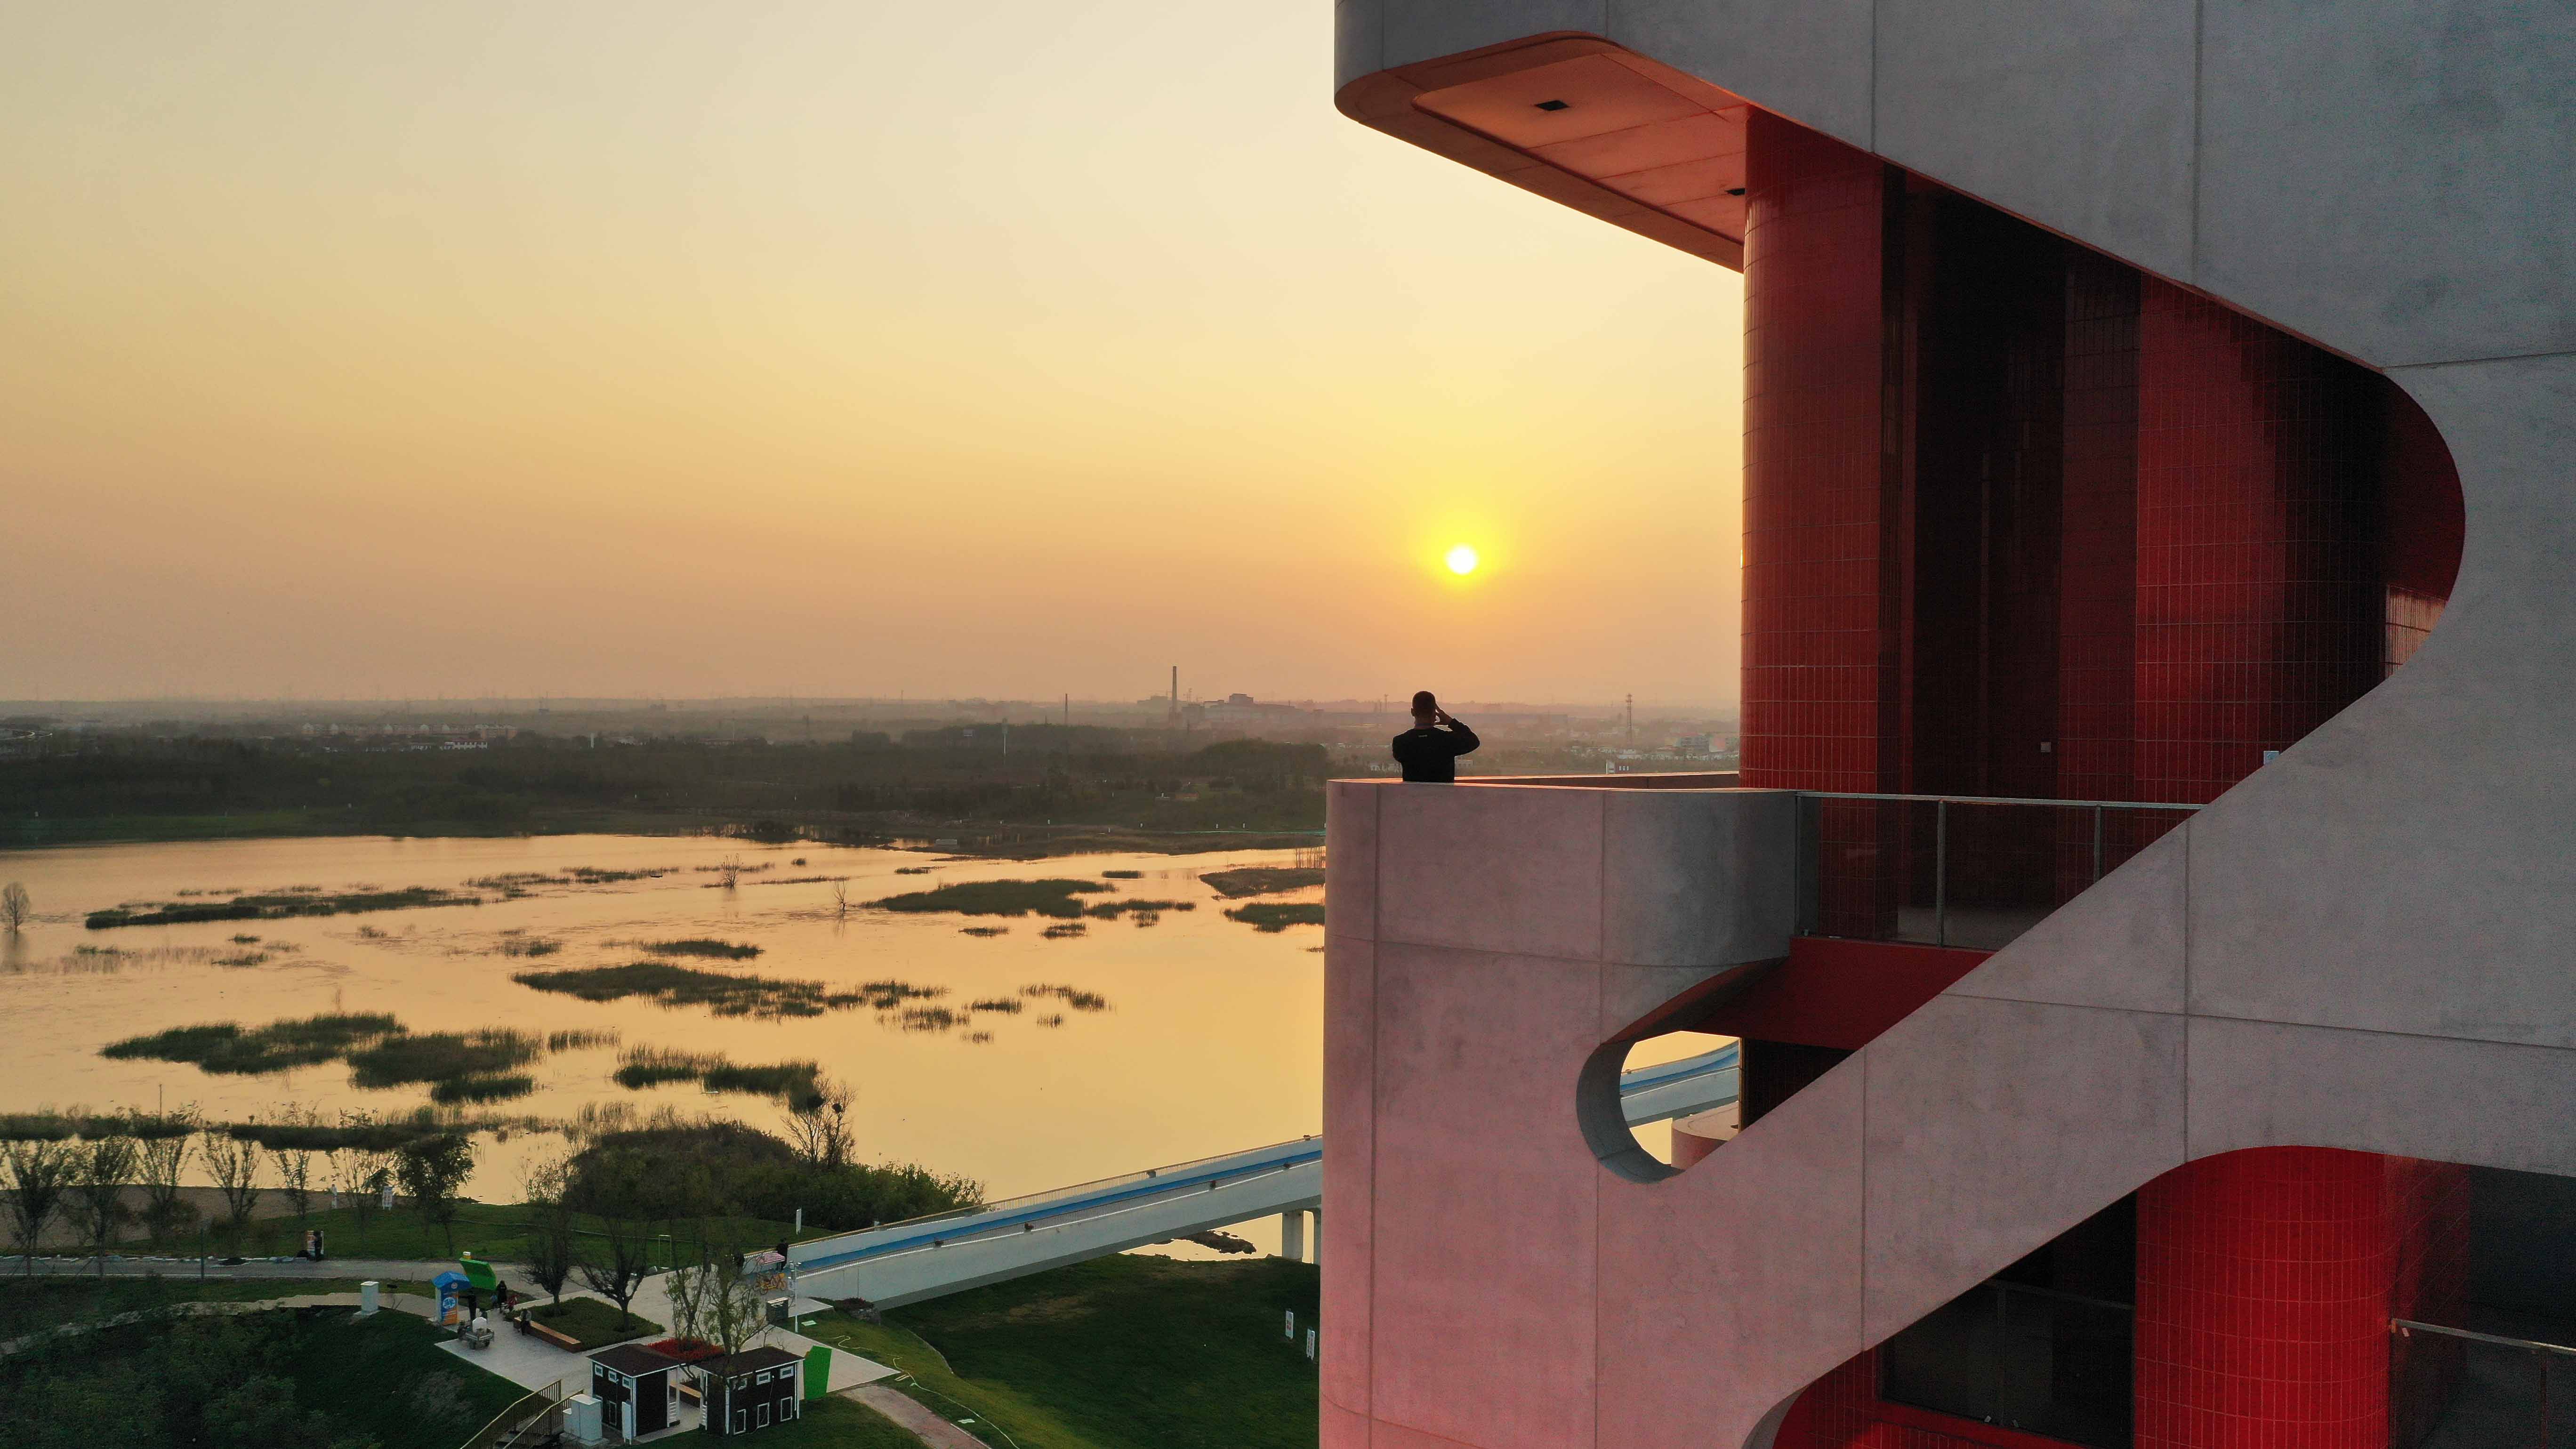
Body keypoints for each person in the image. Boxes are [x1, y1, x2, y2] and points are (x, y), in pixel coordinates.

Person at [1392, 691, 1480, 782]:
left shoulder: (1400, 742)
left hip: (1413, 792)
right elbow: (1473, 741)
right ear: (1435, 714)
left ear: (1412, 712)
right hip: (1443, 792)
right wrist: (1451, 722)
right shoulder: (1447, 740)